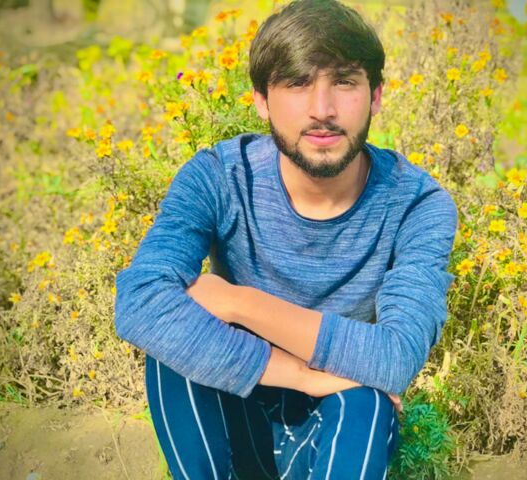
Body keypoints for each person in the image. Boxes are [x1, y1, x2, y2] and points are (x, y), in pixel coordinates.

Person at [114, 0, 458, 478]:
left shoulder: (416, 203)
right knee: (172, 344)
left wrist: (237, 302)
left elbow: (397, 357)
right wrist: (300, 375)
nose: (323, 110)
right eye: (297, 83)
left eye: (344, 81)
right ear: (261, 100)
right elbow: (138, 303)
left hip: (336, 423)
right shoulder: (219, 177)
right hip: (236, 403)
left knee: (366, 401)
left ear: (376, 96)